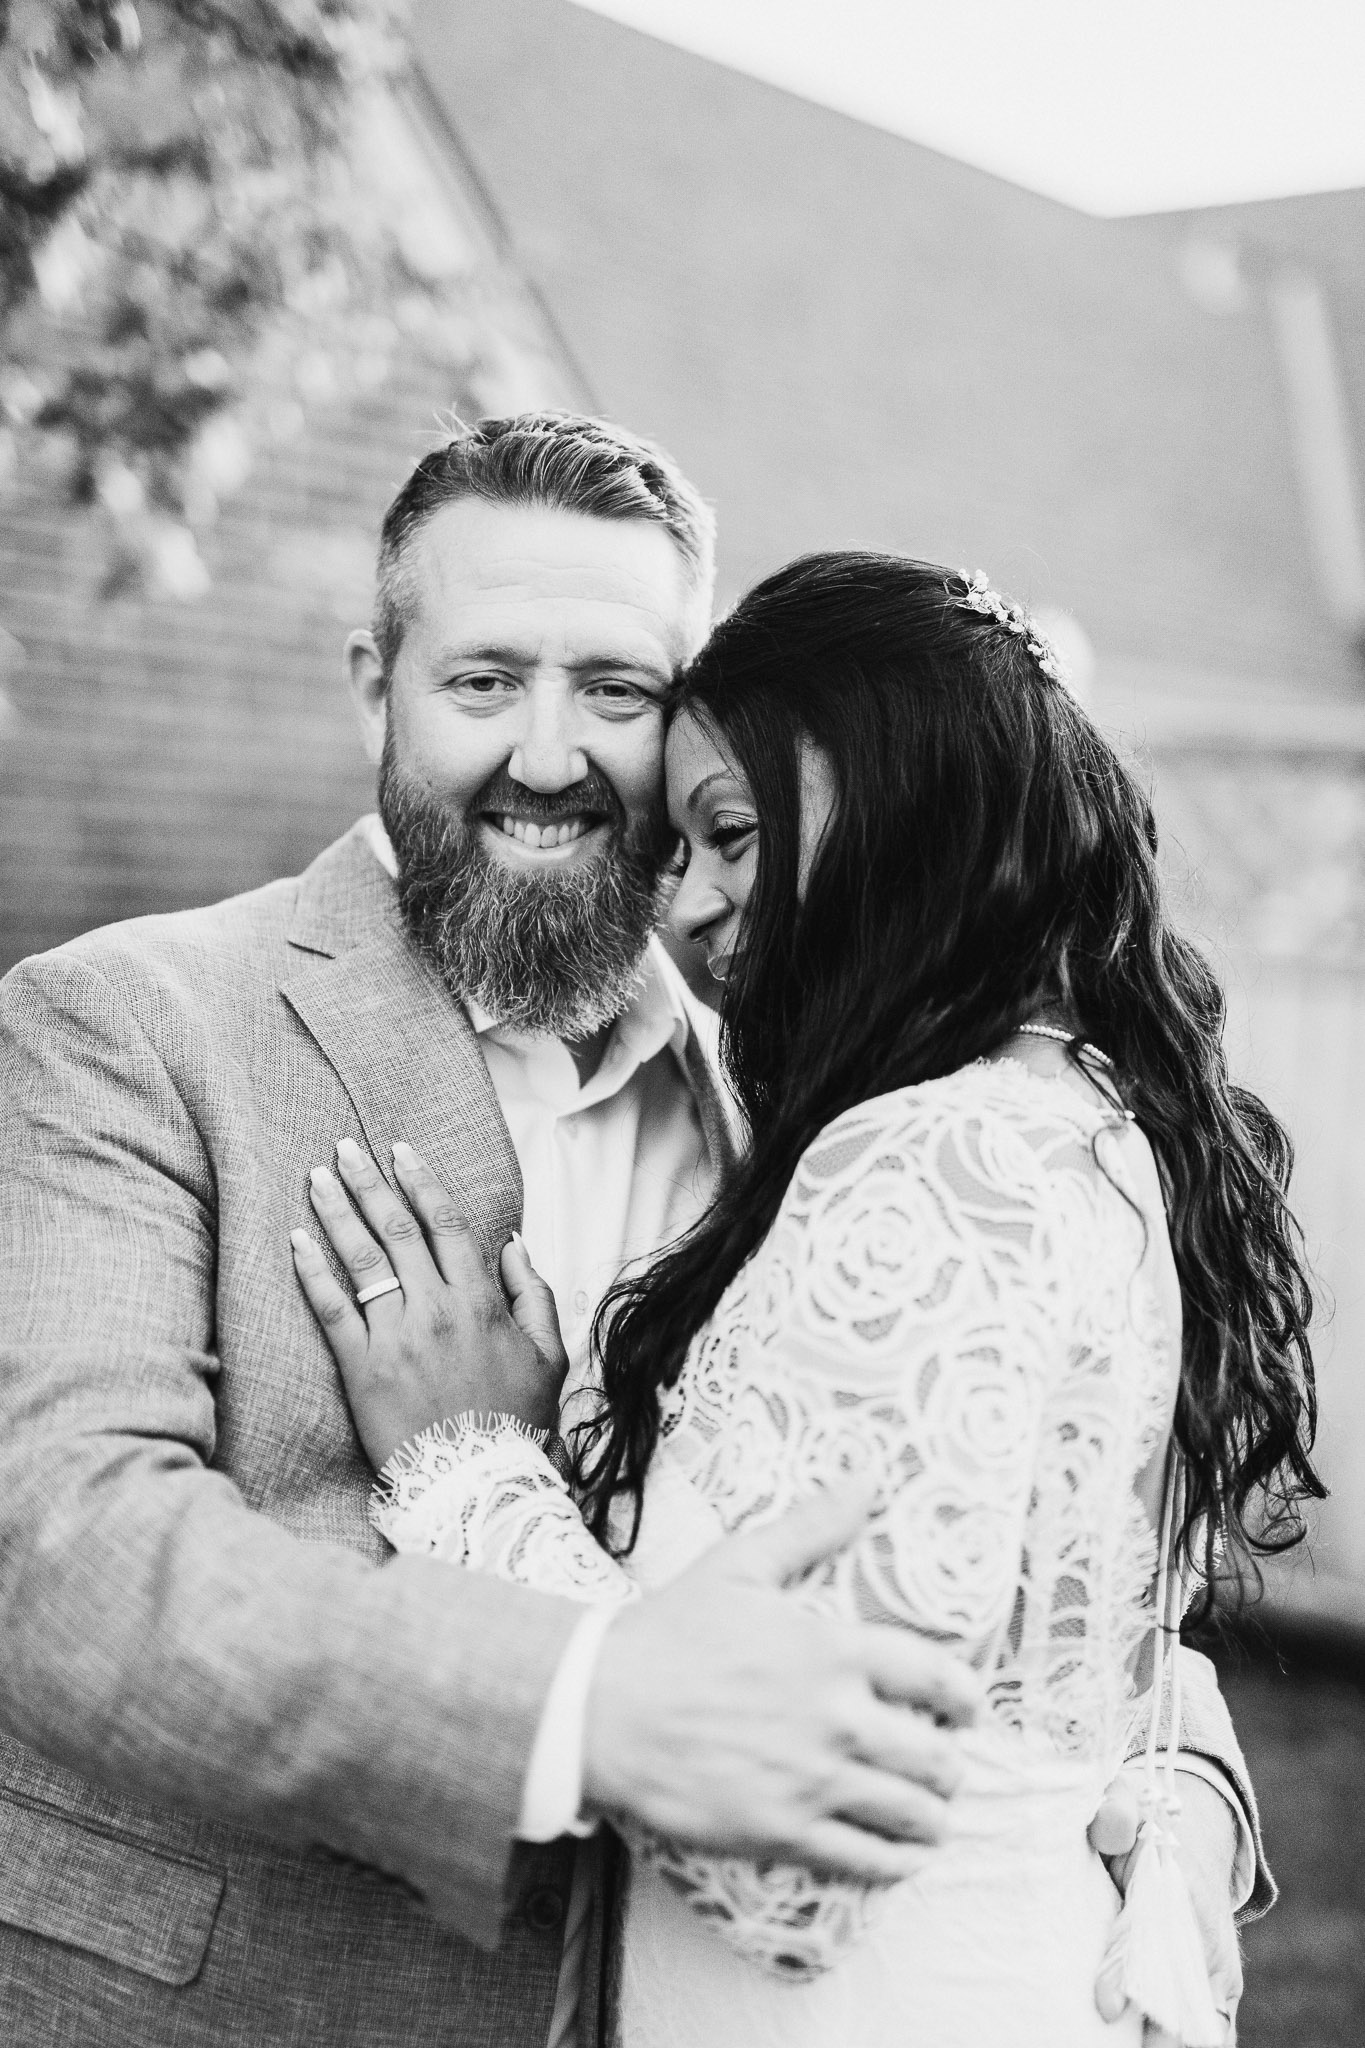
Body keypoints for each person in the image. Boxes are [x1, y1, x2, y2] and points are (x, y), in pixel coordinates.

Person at [0, 414, 1255, 2046]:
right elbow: (68, 1558)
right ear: (374, 687)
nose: (547, 754)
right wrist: (588, 1703)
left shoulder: (814, 1084)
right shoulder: (130, 1020)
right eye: (481, 681)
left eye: (613, 690)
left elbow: (992, 1528)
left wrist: (1180, 1779)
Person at [296, 544, 1322, 2046]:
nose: (687, 906)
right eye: (676, 853)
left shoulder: (934, 1167)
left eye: (731, 834)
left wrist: (471, 1477)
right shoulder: (1077, 1121)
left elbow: (780, 1865)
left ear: (911, 802)